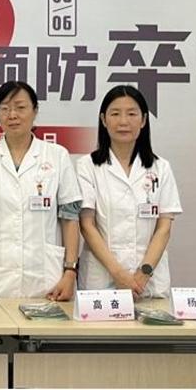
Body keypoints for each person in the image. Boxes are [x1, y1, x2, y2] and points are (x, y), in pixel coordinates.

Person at [0, 81, 82, 299]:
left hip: (46, 275)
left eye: (20, 107)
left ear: (35, 111)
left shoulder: (57, 155)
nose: (12, 115)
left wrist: (70, 271)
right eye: (4, 109)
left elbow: (70, 218)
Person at [77, 85, 182, 298]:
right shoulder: (87, 166)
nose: (123, 121)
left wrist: (143, 273)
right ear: (103, 120)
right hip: (102, 279)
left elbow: (164, 228)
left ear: (143, 120)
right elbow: (87, 225)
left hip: (149, 282)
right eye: (115, 113)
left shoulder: (161, 168)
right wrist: (119, 275)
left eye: (132, 114)